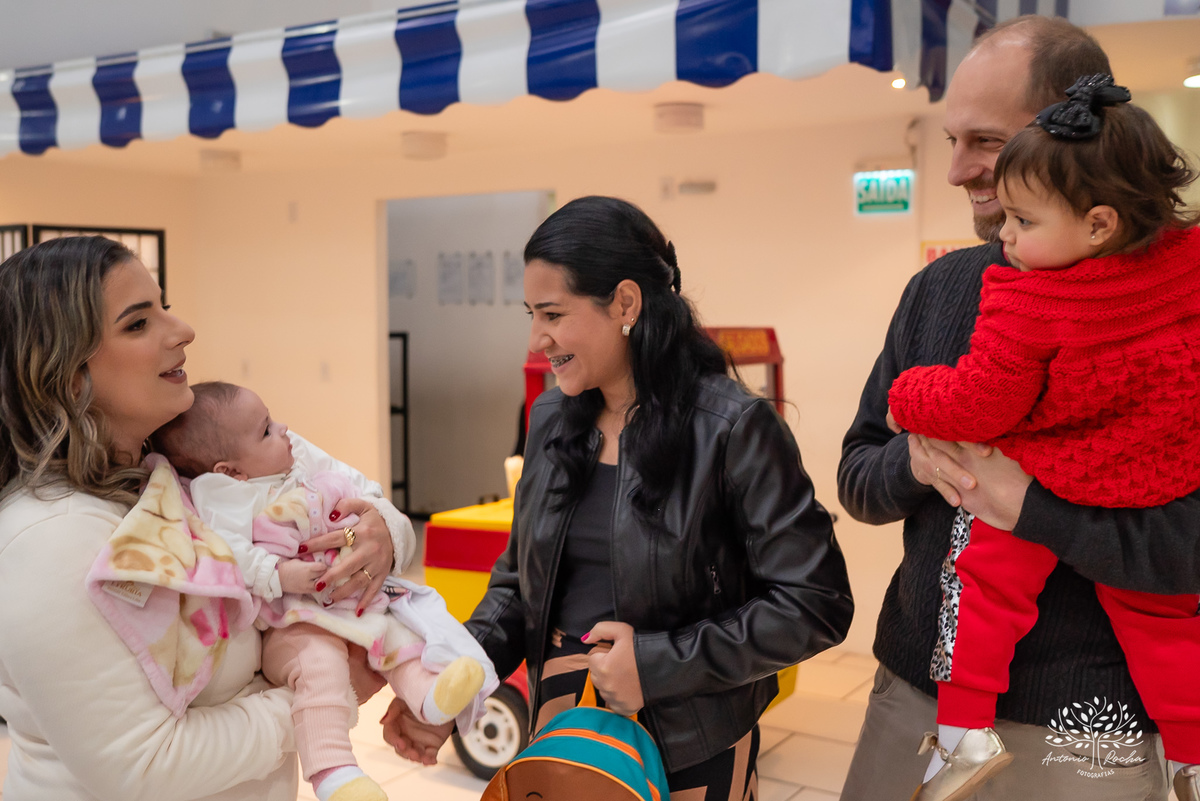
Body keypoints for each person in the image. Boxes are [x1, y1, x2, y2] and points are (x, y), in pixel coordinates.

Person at [380, 195, 855, 798]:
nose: (535, 339)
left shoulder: (731, 427)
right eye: (530, 314)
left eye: (551, 314)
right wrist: (452, 686)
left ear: (625, 303)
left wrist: (657, 663)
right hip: (563, 723)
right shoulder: (552, 417)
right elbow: (519, 586)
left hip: (690, 736)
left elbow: (816, 603)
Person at [839, 15, 1200, 801]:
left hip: (1087, 730)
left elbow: (1187, 545)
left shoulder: (1180, 311)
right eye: (951, 142)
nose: (959, 170)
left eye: (986, 142)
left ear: (1075, 140)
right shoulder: (937, 290)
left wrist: (1032, 509)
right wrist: (918, 457)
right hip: (913, 698)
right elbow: (858, 472)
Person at [0, 235, 402, 801]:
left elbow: (355, 494)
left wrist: (385, 531)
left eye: (164, 305)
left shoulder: (177, 475)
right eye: (138, 323)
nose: (182, 329)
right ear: (68, 378)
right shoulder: (46, 539)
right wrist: (326, 696)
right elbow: (143, 766)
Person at [154, 380, 494, 801]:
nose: (284, 430)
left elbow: (371, 499)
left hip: (349, 597)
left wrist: (379, 526)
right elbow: (228, 551)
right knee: (321, 668)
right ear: (230, 471)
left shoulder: (296, 465)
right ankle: (334, 771)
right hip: (292, 619)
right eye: (266, 430)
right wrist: (280, 575)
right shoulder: (222, 495)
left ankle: (431, 697)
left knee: (399, 634)